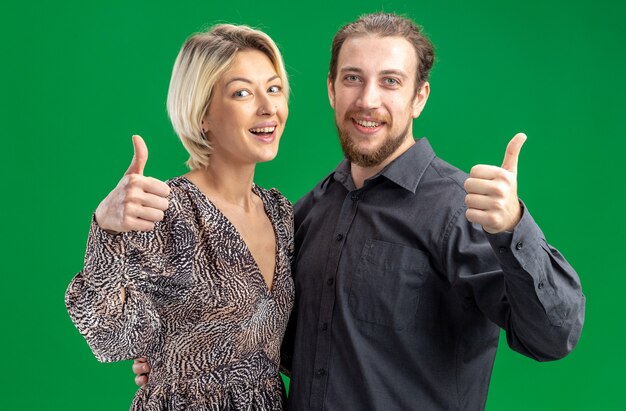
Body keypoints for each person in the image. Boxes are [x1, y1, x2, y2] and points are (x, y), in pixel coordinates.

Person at [133, 12, 585, 410]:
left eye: (390, 81)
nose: (368, 100)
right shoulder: (309, 212)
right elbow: (286, 344)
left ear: (419, 97)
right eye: (352, 78)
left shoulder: (460, 209)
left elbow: (553, 336)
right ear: (331, 89)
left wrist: (511, 228)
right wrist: (180, 353)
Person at [66, 24, 294, 410]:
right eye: (242, 92)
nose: (268, 107)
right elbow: (109, 338)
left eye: (273, 88)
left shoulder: (281, 212)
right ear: (202, 113)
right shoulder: (167, 211)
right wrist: (105, 228)